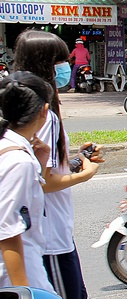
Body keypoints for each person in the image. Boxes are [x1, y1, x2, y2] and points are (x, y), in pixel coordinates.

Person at [14, 30, 103, 299]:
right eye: (59, 62)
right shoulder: (44, 115)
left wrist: (74, 161)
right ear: (45, 65)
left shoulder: (25, 108)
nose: (65, 68)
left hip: (46, 232)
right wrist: (86, 173)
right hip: (50, 235)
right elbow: (44, 182)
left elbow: (44, 167)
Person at [0, 72, 55, 293]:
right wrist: (23, 291)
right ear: (44, 110)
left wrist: (40, 161)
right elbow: (7, 231)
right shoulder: (18, 161)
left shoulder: (13, 149)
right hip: (18, 272)